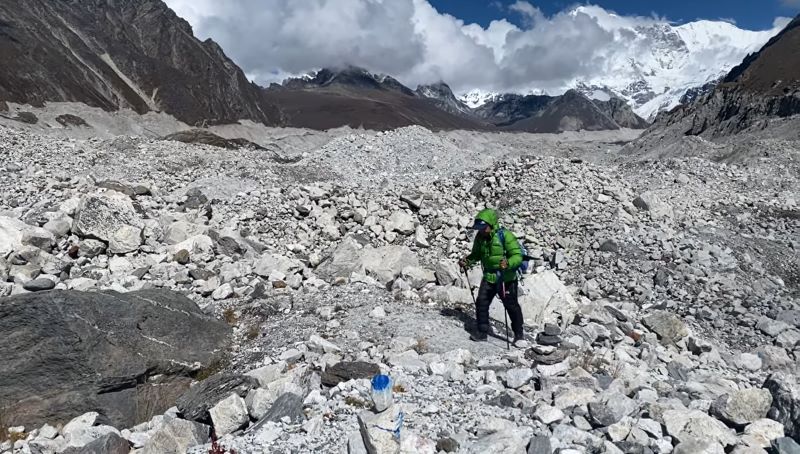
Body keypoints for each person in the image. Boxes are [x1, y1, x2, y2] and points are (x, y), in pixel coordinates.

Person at [459, 208, 525, 344]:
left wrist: (508, 263)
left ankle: (519, 335)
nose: (481, 230)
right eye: (479, 228)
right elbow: (476, 255)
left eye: (484, 227)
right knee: (482, 303)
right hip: (489, 276)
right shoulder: (480, 238)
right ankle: (482, 332)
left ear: (491, 224)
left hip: (506, 278)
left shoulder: (505, 236)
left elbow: (518, 256)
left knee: (511, 305)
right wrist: (467, 261)